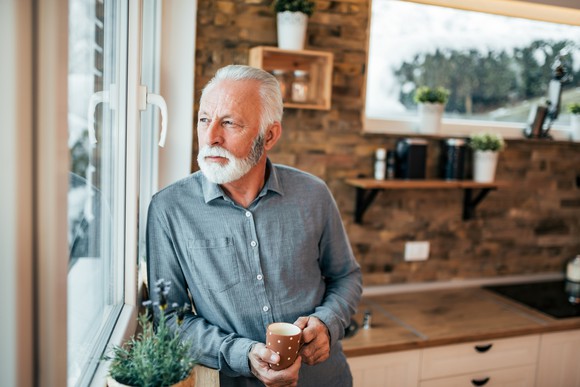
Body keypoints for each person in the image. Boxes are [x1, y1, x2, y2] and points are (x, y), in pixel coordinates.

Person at [146, 64, 362, 387]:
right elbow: (168, 320)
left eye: (229, 123)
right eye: (204, 120)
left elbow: (346, 276)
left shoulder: (314, 194)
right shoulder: (168, 209)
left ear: (270, 135)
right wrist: (241, 353)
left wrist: (327, 323)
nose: (211, 137)